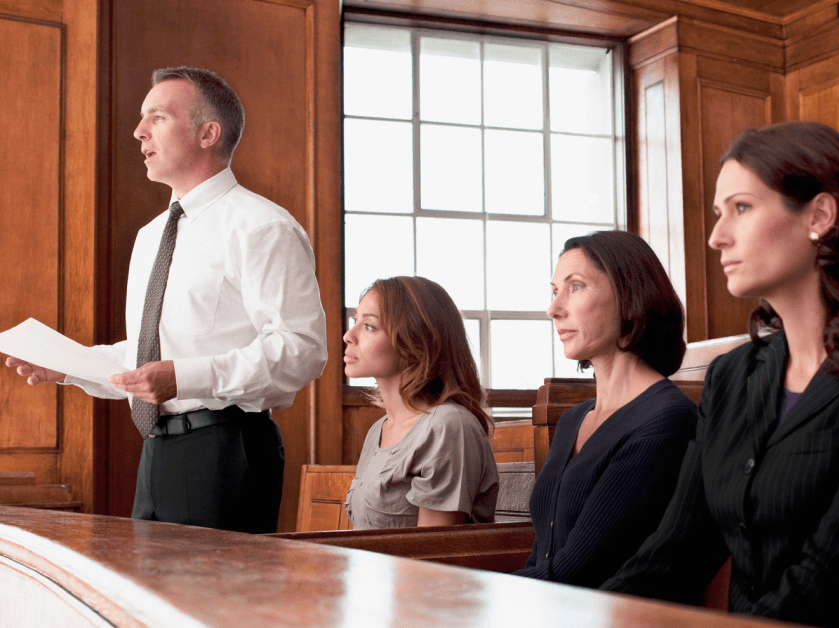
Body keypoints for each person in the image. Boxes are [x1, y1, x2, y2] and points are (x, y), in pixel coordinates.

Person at [601, 121, 839, 627]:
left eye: (742, 208)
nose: (716, 236)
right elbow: (673, 552)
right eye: (718, 213)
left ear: (819, 214)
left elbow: (831, 583)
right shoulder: (730, 378)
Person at [3, 67, 326, 533]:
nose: (138, 132)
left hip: (226, 449)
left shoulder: (261, 227)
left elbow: (302, 349)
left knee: (214, 605)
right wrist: (69, 368)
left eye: (156, 117)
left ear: (207, 133)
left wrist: (184, 377)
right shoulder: (152, 235)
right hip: (157, 451)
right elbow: (149, 357)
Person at [512, 230, 697, 587]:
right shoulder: (572, 421)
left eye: (576, 287)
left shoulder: (666, 421)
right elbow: (543, 555)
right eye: (554, 292)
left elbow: (581, 571)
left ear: (630, 296)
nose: (554, 309)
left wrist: (469, 595)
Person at [342, 276, 498, 529]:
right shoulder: (378, 430)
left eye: (369, 326)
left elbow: (432, 555)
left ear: (414, 340)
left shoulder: (448, 426)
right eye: (355, 321)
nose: (349, 335)